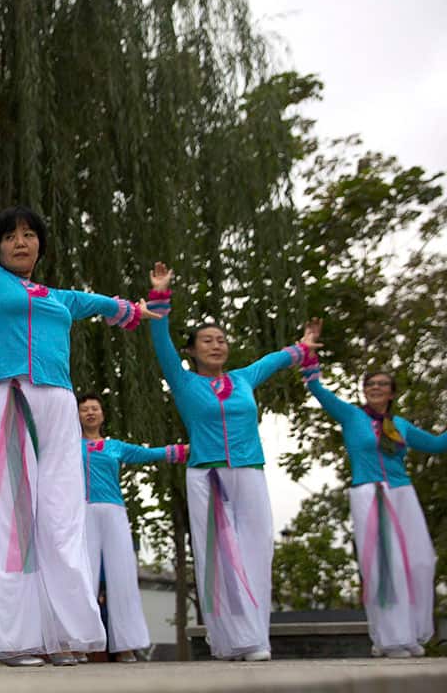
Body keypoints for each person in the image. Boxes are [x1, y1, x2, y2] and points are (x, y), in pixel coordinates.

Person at [0, 117, 158, 667]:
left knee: (61, 513)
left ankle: (63, 634)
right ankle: (15, 639)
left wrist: (137, 310)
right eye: (10, 235)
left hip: (56, 403)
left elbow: (106, 304)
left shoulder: (59, 297)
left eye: (29, 234)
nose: (21, 241)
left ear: (41, 246)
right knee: (11, 516)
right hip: (6, 397)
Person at [145, 263, 320, 661]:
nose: (216, 345)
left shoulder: (243, 378)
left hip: (251, 472)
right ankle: (235, 641)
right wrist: (160, 297)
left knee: (258, 551)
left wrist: (304, 346)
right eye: (206, 340)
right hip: (207, 476)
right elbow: (161, 344)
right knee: (220, 557)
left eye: (221, 339)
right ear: (193, 350)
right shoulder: (184, 381)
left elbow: (278, 359)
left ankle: (254, 637)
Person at [297, 339, 446, 659]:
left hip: (403, 493)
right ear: (364, 391)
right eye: (370, 384)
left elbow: (436, 445)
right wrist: (308, 357)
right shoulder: (352, 416)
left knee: (421, 562)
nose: (375, 387)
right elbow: (318, 391)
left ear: (391, 393)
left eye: (382, 384)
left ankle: (411, 632)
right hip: (369, 493)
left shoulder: (400, 425)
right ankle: (390, 639)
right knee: (383, 566)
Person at [77, 394, 187, 662]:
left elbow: (147, 453)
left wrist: (185, 450)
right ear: (77, 416)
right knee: (82, 576)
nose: (90, 413)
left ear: (102, 415)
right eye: (84, 410)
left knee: (122, 576)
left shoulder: (115, 446)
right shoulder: (67, 445)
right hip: (80, 512)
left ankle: (126, 645)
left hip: (114, 512)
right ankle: (79, 643)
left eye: (95, 408)